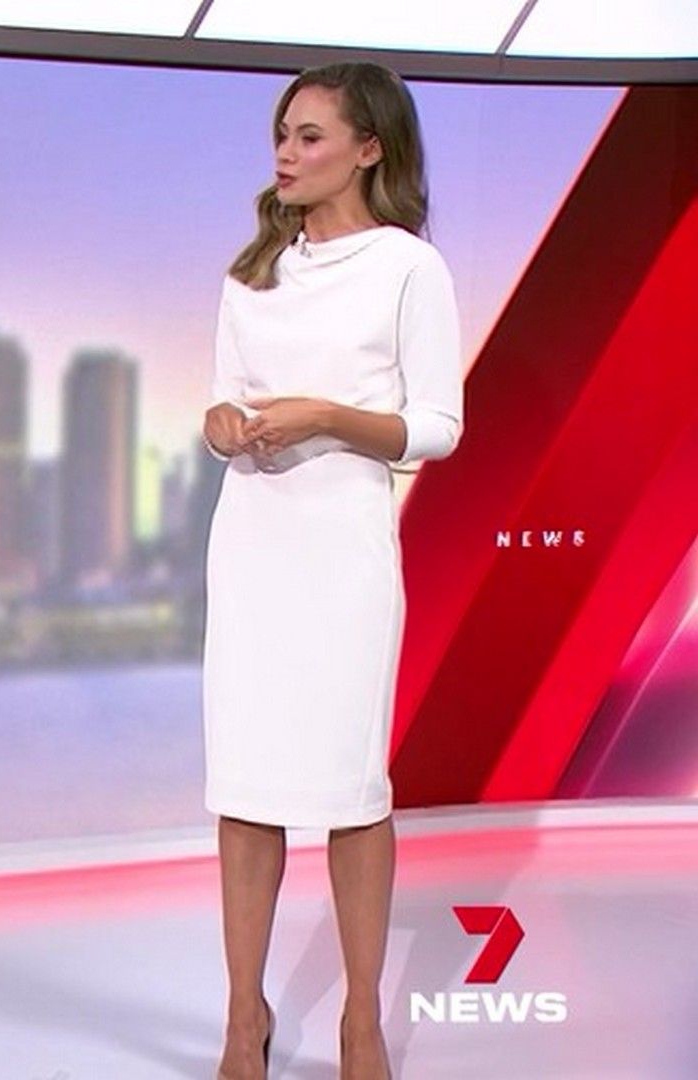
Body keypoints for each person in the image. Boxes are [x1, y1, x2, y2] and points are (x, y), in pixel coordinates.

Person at [200, 62, 464, 1080]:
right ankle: (243, 1020)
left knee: (354, 789)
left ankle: (362, 1020)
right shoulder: (251, 274)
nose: (286, 153)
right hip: (253, 544)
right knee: (246, 786)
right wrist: (226, 425)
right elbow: (225, 403)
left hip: (343, 554)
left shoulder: (407, 268)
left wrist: (326, 417)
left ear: (368, 149)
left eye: (310, 136)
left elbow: (437, 426)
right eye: (282, 134)